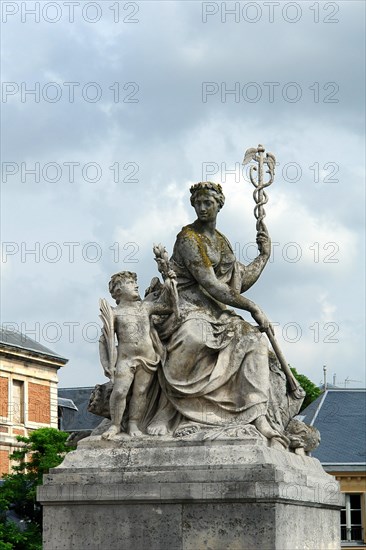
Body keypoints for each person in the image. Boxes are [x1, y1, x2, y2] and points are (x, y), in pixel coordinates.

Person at [147, 182, 285, 442]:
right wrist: (253, 307)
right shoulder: (188, 238)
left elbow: (238, 281)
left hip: (216, 310)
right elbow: (210, 284)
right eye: (198, 203)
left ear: (219, 204)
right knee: (193, 336)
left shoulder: (221, 242)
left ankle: (258, 415)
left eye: (207, 203)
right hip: (186, 306)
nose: (202, 208)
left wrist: (263, 257)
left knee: (253, 340)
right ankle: (167, 410)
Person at [100, 271, 173, 439]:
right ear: (118, 290)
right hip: (125, 359)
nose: (136, 285)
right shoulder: (115, 313)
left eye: (135, 282)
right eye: (131, 282)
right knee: (119, 391)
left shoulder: (145, 307)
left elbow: (168, 307)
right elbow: (104, 340)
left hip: (148, 358)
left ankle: (134, 423)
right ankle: (115, 425)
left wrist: (169, 281)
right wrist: (106, 364)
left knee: (141, 392)